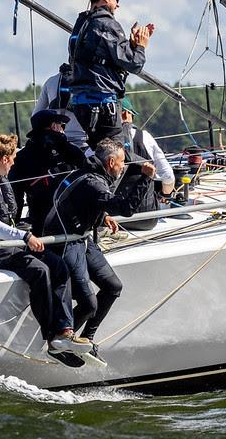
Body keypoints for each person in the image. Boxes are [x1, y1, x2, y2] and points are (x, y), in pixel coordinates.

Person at [0, 134, 92, 357]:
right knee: (39, 270)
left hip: (5, 242)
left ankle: (65, 331)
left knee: (58, 266)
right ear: (4, 158)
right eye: (13, 156)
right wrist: (25, 236)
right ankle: (52, 337)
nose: (15, 160)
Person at [43, 138, 155, 361]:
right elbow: (126, 208)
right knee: (88, 304)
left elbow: (82, 201)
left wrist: (102, 215)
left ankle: (88, 338)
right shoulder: (94, 182)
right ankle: (58, 343)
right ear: (111, 162)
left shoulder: (89, 174)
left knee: (113, 286)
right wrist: (146, 177)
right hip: (68, 242)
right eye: (121, 163)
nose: (123, 167)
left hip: (82, 238)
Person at [68, 0, 155, 149]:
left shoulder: (82, 22)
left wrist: (129, 45)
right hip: (103, 104)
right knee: (115, 158)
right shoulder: (107, 24)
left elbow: (102, 59)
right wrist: (140, 46)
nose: (118, 4)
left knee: (100, 153)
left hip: (82, 103)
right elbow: (134, 63)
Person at [9, 110, 87, 236]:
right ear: (53, 126)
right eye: (61, 125)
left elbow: (15, 197)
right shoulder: (70, 151)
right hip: (73, 220)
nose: (63, 129)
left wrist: (12, 227)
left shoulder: (20, 158)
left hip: (40, 222)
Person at [117, 97, 175, 231]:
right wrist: (165, 195)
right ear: (126, 113)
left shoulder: (104, 141)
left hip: (115, 219)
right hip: (146, 218)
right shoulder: (145, 137)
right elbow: (168, 176)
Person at [32, 64, 88, 151]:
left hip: (56, 143)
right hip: (82, 143)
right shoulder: (88, 80)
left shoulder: (50, 82)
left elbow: (36, 115)